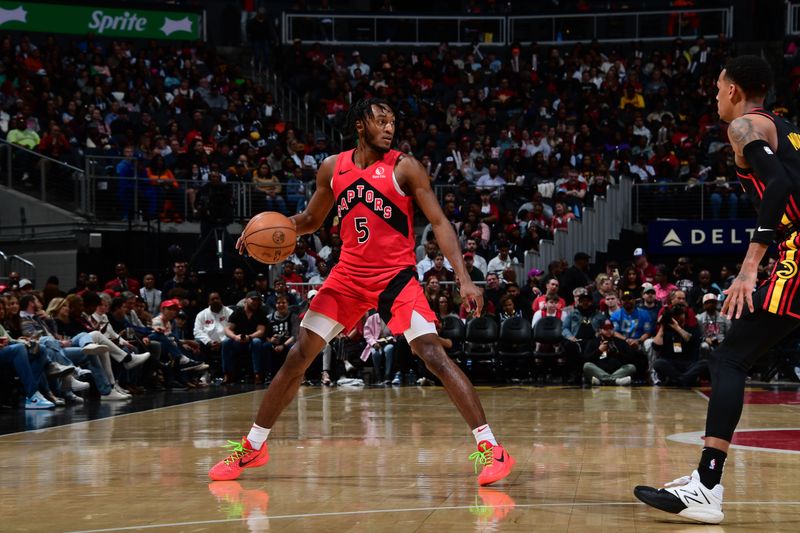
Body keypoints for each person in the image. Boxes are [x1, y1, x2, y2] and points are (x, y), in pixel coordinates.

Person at [209, 98, 514, 486]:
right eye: (381, 120)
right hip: (349, 277)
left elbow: (439, 222)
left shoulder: (405, 167)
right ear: (359, 125)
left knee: (433, 355)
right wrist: (264, 230)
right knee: (298, 356)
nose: (389, 127)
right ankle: (253, 447)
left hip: (395, 277)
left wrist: (465, 276)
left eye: (392, 121)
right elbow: (309, 220)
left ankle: (492, 448)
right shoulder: (332, 168)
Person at [635, 56, 800, 524]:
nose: (714, 96)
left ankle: (707, 487)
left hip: (796, 248)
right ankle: (704, 482)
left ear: (732, 90)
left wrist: (751, 264)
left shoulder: (745, 126)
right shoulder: (786, 129)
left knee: (729, 358)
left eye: (717, 88)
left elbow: (781, 183)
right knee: (732, 356)